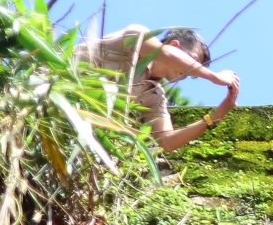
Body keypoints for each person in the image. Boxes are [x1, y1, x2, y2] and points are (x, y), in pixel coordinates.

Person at [77, 25, 240, 152]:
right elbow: (167, 54)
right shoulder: (137, 36)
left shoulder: (155, 95)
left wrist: (216, 116)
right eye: (194, 61)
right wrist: (215, 77)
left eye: (195, 72)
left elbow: (167, 141)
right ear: (174, 45)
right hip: (56, 88)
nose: (188, 73)